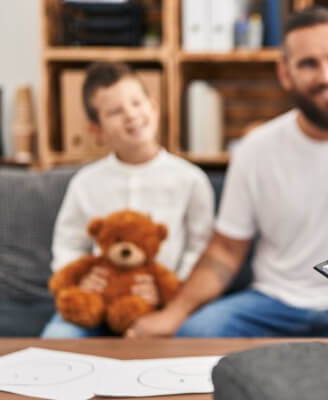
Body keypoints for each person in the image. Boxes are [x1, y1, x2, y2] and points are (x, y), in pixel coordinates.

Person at [126, 7, 328, 338]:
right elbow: (224, 252)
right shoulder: (255, 149)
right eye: (308, 64)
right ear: (285, 73)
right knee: (195, 332)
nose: (326, 76)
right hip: (273, 304)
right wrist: (173, 315)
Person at [41, 62, 215, 338]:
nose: (131, 115)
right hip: (96, 302)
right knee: (58, 339)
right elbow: (68, 244)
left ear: (154, 106)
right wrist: (83, 281)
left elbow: (200, 248)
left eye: (136, 103)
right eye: (115, 111)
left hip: (160, 304)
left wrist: (171, 290)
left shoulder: (191, 180)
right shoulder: (85, 183)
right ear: (97, 130)